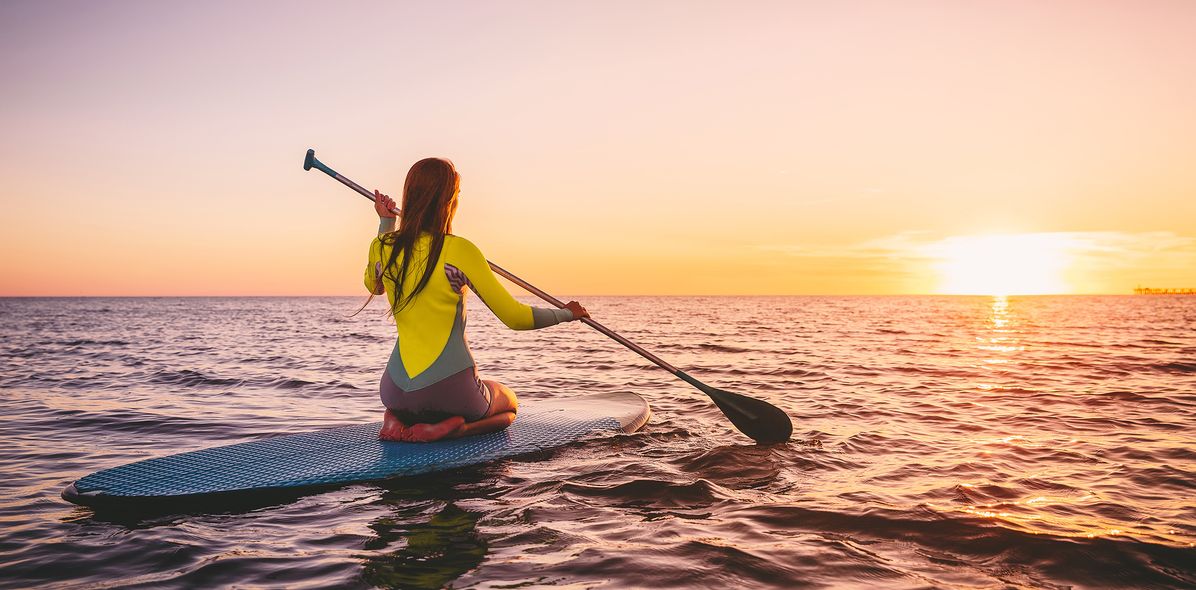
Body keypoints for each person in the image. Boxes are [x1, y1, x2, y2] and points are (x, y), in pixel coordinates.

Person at [364, 157, 588, 442]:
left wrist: (385, 224)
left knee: (414, 401)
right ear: (448, 200)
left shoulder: (383, 246)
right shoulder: (460, 250)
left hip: (393, 391)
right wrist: (565, 314)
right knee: (509, 404)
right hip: (450, 392)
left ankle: (395, 418)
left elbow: (374, 285)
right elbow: (515, 318)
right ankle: (455, 428)